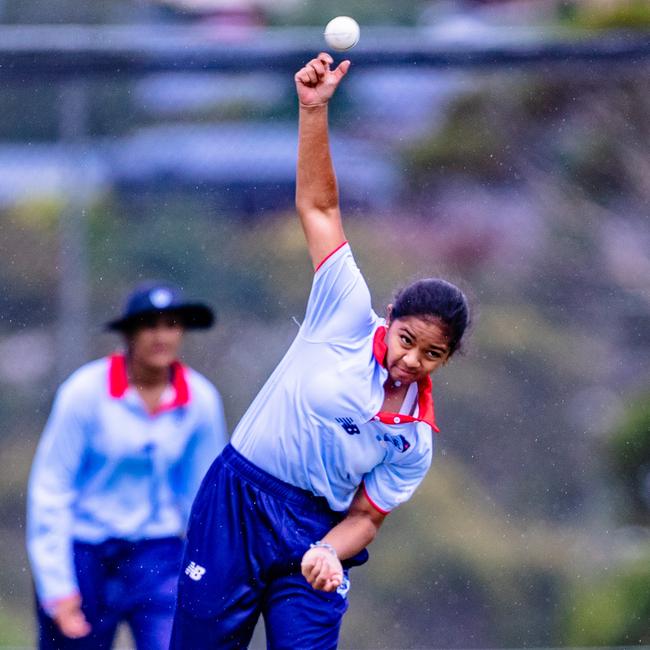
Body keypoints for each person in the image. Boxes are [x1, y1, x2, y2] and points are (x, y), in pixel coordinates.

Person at [170, 53, 471, 649]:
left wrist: (331, 553)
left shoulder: (414, 439)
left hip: (314, 532)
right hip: (238, 499)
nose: (412, 360)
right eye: (408, 340)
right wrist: (313, 109)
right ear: (390, 319)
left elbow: (366, 517)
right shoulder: (342, 313)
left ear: (446, 359)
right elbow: (319, 208)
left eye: (431, 355)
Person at [26, 282, 228, 650]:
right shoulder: (85, 393)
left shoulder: (200, 401)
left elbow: (205, 500)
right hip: (86, 554)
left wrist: (210, 576)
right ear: (130, 334)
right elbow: (51, 488)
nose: (161, 336)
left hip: (158, 556)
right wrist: (57, 586)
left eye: (171, 324)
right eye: (150, 325)